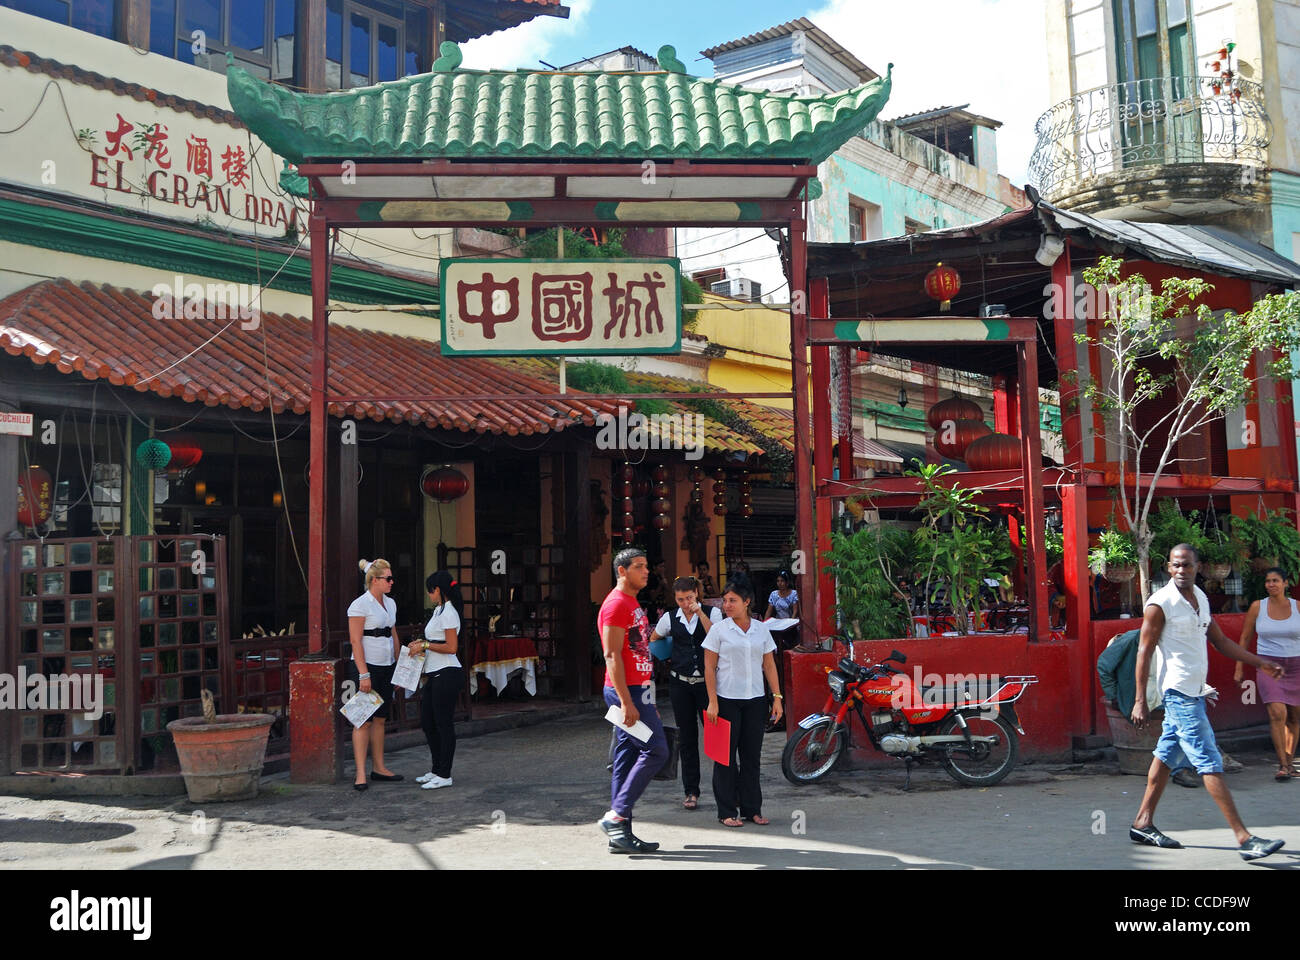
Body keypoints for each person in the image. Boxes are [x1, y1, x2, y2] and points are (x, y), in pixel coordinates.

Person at [1129, 544, 1285, 860]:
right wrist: (1139, 701)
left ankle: (1142, 823)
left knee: (1166, 754)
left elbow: (1221, 642)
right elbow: (1143, 651)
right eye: (1175, 565)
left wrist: (1260, 662)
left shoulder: (1199, 598)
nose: (1181, 570)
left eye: (1187, 565)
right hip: (1179, 694)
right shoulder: (1160, 604)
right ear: (1168, 568)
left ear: (1198, 566)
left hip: (1196, 691)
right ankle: (1244, 839)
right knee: (1208, 760)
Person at [597, 547, 668, 854]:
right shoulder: (615, 605)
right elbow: (611, 654)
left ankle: (620, 834)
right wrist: (627, 702)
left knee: (626, 756)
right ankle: (616, 815)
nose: (646, 571)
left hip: (640, 689)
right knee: (656, 750)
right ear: (622, 571)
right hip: (626, 691)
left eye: (646, 565)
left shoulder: (632, 602)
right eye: (639, 566)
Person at [703, 576, 783, 827]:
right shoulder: (718, 630)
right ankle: (726, 811)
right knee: (725, 758)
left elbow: (769, 664)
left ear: (747, 602)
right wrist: (712, 701)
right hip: (726, 701)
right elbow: (709, 667)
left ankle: (752, 809)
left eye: (733, 600)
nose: (727, 605)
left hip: (756, 701)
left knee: (751, 757)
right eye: (725, 600)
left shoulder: (761, 629)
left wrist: (777, 698)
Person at [648, 576, 717, 810]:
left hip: (707, 685)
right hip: (680, 684)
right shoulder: (669, 617)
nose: (685, 603)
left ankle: (727, 790)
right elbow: (654, 638)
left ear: (697, 594)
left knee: (716, 737)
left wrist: (700, 613)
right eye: (680, 599)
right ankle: (691, 791)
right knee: (687, 739)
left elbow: (716, 637)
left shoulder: (711, 613)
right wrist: (666, 651)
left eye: (689, 598)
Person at [1234, 567, 1300, 781]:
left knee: (1293, 717)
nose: (1271, 584)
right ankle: (1282, 764)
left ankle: (1290, 762)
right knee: (1277, 713)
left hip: (1296, 666)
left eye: (1275, 581)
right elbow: (1244, 639)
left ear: (1285, 584)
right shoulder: (1257, 607)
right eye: (1268, 581)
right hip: (1268, 666)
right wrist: (1239, 667)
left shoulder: (1298, 607)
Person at [346, 559, 404, 790]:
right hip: (366, 665)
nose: (391, 582)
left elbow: (393, 634)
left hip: (387, 664)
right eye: (387, 578)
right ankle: (360, 773)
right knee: (363, 720)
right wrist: (363, 674)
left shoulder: (390, 603)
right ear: (374, 580)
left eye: (391, 578)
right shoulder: (360, 605)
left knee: (381, 718)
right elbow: (355, 640)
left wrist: (400, 667)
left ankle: (379, 766)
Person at [408, 570, 464, 791]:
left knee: (443, 724)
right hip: (435, 672)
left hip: (447, 672)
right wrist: (422, 643)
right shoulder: (439, 611)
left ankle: (445, 773)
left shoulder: (449, 612)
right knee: (428, 722)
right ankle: (436, 768)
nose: (429, 595)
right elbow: (434, 639)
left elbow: (451, 647)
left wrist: (425, 645)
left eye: (430, 590)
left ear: (438, 590)